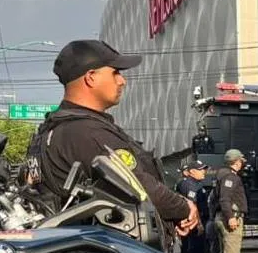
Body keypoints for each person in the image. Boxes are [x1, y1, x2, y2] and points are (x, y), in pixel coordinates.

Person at [28, 39, 198, 236]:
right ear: (91, 77)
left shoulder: (52, 130)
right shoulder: (88, 132)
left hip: (75, 251)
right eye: (115, 72)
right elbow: (140, 186)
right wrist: (184, 208)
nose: (122, 81)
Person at [209, 149, 249, 253]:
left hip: (221, 217)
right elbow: (225, 199)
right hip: (229, 218)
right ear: (237, 161)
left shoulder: (222, 175)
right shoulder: (230, 177)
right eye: (241, 160)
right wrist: (231, 217)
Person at [175, 159, 210, 253]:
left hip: (197, 223)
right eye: (200, 170)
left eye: (204, 169)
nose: (203, 171)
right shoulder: (189, 184)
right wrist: (199, 225)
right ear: (192, 171)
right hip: (193, 225)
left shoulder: (196, 184)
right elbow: (192, 206)